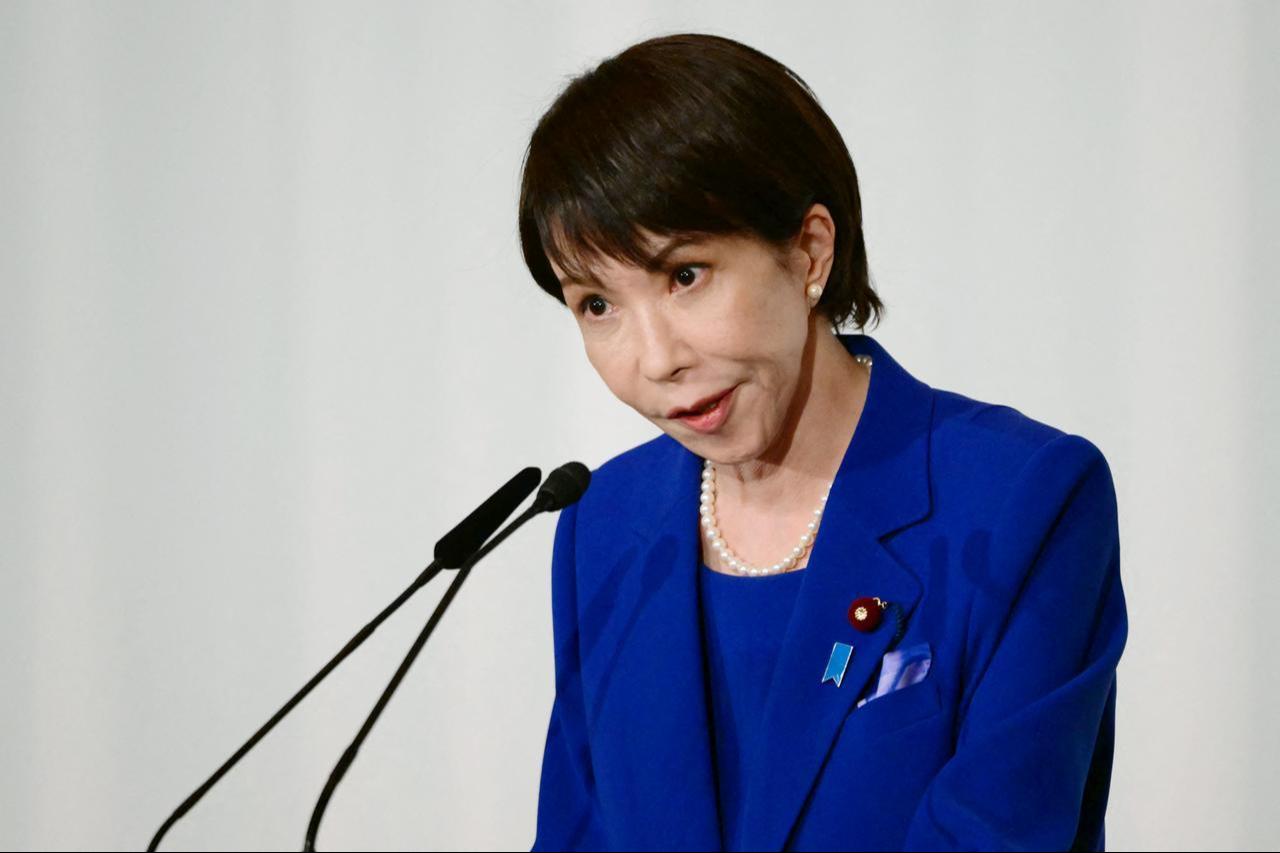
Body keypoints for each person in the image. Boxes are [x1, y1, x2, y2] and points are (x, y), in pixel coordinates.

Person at [517, 32, 1126, 852]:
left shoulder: (1024, 502)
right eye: (596, 304)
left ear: (808, 251)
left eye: (685, 274)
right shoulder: (604, 529)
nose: (655, 357)